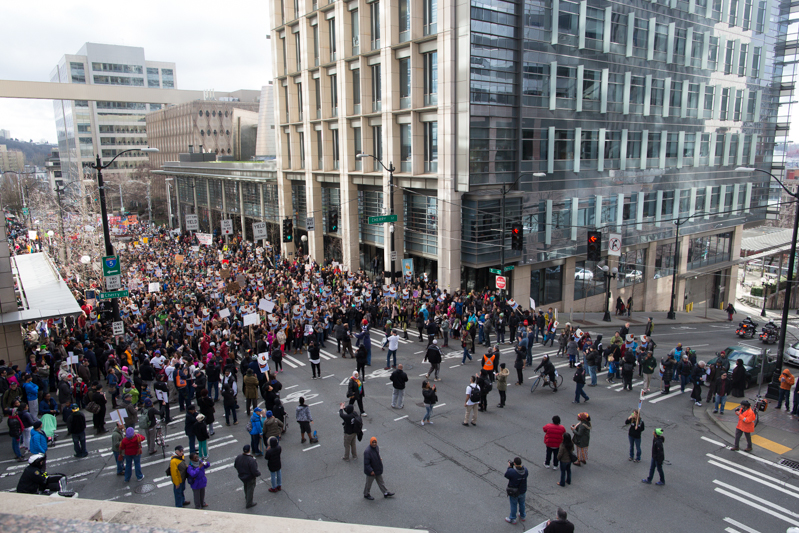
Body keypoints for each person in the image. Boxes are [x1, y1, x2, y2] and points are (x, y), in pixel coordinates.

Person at [234, 444, 261, 509]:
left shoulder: (239, 457)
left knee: (246, 486)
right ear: (249, 450)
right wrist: (258, 474)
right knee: (250, 488)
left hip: (242, 476)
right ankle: (249, 503)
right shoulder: (251, 460)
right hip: (250, 477)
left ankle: (247, 497)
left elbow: (235, 465)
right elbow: (254, 471)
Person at [504, 457, 528, 524]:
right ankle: (523, 516)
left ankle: (512, 518)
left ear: (514, 463)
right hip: (523, 490)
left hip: (514, 492)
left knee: (513, 504)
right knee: (522, 503)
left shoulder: (512, 472)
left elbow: (506, 475)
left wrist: (509, 467)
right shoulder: (525, 470)